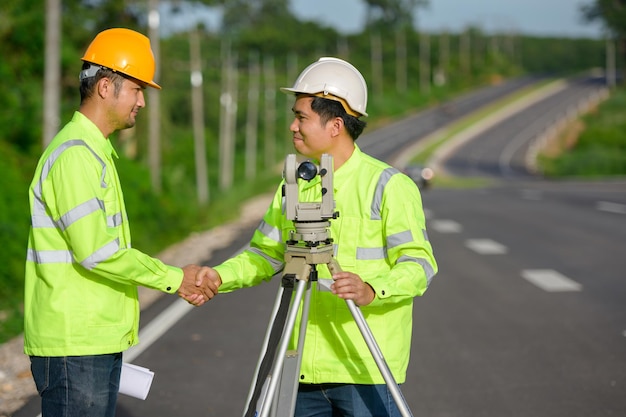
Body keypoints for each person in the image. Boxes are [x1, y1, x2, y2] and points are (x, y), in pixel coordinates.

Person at [207, 57, 438, 416]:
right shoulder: (294, 186)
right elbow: (266, 254)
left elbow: (419, 264)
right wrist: (219, 276)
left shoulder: (388, 185)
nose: (292, 126)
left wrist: (372, 290)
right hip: (299, 370)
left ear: (335, 125)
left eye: (301, 117)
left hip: (365, 368)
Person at [23, 28, 217, 417]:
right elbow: (98, 252)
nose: (143, 102)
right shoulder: (75, 155)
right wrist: (176, 278)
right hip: (75, 345)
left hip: (91, 341)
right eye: (137, 89)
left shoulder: (95, 152)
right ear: (106, 87)